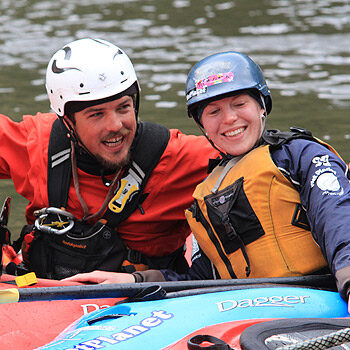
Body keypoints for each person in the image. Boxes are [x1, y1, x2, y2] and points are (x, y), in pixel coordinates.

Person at [64, 51, 350, 309]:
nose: (229, 119)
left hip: (322, 296)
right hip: (250, 309)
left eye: (239, 103)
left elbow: (338, 219)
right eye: (214, 112)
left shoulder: (300, 156)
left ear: (263, 106)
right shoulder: (206, 191)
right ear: (203, 126)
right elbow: (201, 277)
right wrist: (134, 280)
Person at [0, 38, 219, 279]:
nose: (116, 125)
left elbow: (256, 157)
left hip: (142, 303)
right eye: (96, 114)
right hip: (43, 295)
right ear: (68, 122)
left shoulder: (178, 158)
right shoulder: (37, 142)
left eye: (123, 108)